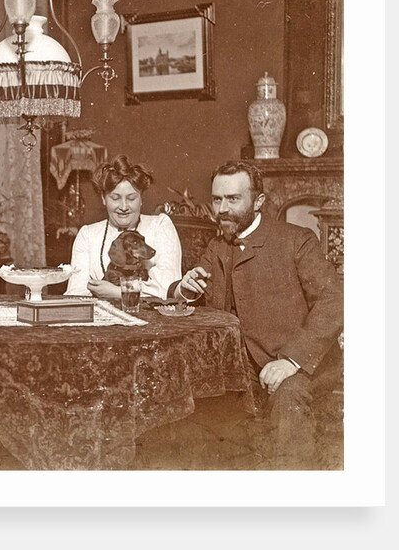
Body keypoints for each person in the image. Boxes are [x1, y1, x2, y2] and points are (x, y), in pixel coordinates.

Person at [172, 160, 343, 469]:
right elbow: (195, 294)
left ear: (259, 200)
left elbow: (334, 300)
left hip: (300, 366)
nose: (222, 209)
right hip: (241, 370)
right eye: (217, 199)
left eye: (233, 199)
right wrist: (185, 288)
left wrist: (291, 360)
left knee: (288, 398)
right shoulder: (217, 246)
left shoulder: (296, 239)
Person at [64, 155, 182, 300]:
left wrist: (118, 293)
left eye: (131, 198)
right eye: (115, 198)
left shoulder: (160, 226)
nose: (124, 207)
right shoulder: (87, 235)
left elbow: (169, 287)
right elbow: (77, 293)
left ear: (141, 198)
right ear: (103, 198)